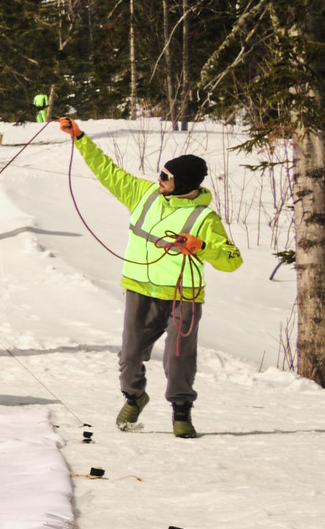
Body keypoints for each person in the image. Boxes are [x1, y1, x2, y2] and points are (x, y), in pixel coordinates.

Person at [60, 118, 243, 438]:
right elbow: (110, 172)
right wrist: (80, 138)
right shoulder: (145, 194)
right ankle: (134, 397)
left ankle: (181, 412)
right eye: (161, 173)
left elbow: (232, 261)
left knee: (179, 360)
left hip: (182, 295)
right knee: (129, 357)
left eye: (166, 176)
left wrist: (201, 247)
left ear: (184, 183)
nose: (158, 179)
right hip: (140, 290)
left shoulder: (205, 218)